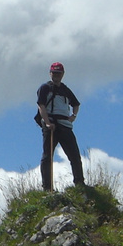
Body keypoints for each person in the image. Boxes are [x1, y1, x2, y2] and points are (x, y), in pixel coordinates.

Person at [37, 61, 84, 190]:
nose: (56, 75)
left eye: (58, 73)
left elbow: (76, 104)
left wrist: (73, 117)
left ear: (63, 74)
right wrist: (47, 122)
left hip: (65, 125)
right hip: (51, 123)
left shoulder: (65, 90)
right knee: (47, 156)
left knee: (75, 156)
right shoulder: (45, 88)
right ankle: (47, 187)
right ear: (50, 73)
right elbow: (41, 105)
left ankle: (80, 184)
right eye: (54, 73)